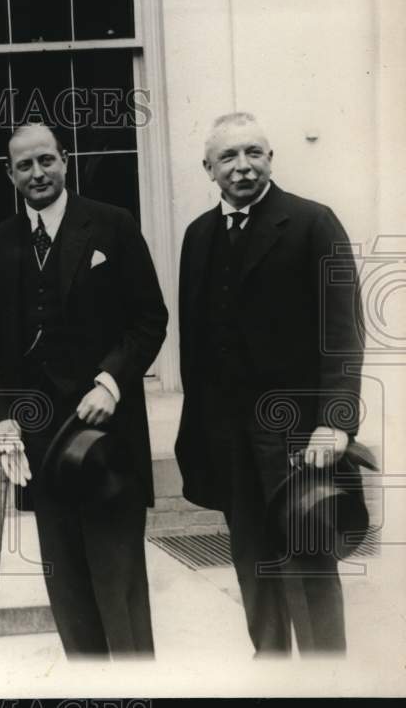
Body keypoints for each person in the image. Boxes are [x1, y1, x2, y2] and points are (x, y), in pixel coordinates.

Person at [0, 122, 167, 658]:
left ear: (65, 161)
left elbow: (149, 318)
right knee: (68, 586)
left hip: (108, 434)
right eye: (25, 165)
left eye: (46, 160)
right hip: (39, 442)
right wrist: (4, 416)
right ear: (10, 174)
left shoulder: (112, 225)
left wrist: (110, 381)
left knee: (117, 580)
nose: (37, 173)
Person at [174, 112, 364, 655]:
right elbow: (196, 346)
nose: (243, 166)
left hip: (298, 435)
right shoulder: (198, 236)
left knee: (308, 563)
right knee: (252, 563)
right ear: (208, 168)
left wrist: (335, 423)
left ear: (271, 158)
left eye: (254, 152)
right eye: (229, 157)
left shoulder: (311, 223)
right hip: (229, 437)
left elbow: (342, 333)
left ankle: (328, 682)